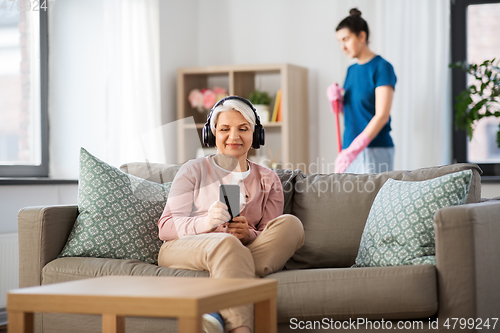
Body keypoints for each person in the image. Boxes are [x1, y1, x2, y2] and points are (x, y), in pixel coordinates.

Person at [157, 96, 305, 333]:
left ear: (255, 135)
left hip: (241, 249)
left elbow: (269, 233)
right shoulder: (193, 170)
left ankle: (223, 284)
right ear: (212, 133)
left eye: (243, 129)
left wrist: (248, 234)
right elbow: (165, 227)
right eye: (225, 129)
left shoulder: (269, 179)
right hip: (186, 247)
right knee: (225, 243)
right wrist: (206, 222)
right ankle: (240, 328)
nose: (234, 137)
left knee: (291, 225)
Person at [328, 8, 397, 174]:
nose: (342, 47)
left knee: (374, 199)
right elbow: (354, 113)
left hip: (375, 148)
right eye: (339, 41)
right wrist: (336, 103)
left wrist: (355, 149)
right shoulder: (351, 70)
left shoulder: (382, 68)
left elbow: (382, 116)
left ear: (362, 36)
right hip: (348, 149)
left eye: (345, 39)